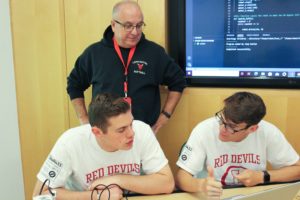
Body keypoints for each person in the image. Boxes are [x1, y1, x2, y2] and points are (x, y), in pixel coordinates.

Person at [66, 0, 186, 133]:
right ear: (113, 25)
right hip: (104, 134)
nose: (135, 32)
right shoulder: (94, 53)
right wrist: (84, 120)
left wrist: (164, 117)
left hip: (142, 134)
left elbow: (178, 81)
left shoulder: (155, 53)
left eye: (139, 25)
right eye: (128, 26)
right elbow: (74, 84)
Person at [32, 93, 174, 199]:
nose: (132, 134)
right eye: (121, 130)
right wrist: (96, 196)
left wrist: (116, 179)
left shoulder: (142, 131)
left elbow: (167, 183)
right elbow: (40, 194)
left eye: (131, 123)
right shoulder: (69, 142)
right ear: (97, 132)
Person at [175, 91, 300, 199]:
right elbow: (181, 177)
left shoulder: (268, 132)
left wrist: (262, 177)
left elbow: (297, 169)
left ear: (252, 129)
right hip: (215, 196)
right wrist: (201, 185)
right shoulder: (203, 130)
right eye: (222, 119)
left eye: (231, 127)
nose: (222, 129)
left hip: (252, 195)